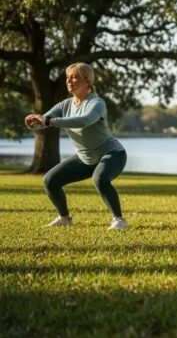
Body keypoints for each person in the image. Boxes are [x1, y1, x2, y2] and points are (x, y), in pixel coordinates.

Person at [24, 63, 128, 230]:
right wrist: (33, 122)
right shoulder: (65, 105)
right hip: (85, 157)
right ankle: (64, 218)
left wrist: (49, 121)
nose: (69, 81)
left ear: (87, 81)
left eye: (75, 77)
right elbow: (42, 122)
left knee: (100, 179)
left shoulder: (97, 103)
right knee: (50, 180)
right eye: (68, 78)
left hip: (112, 153)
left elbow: (84, 120)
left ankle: (119, 220)